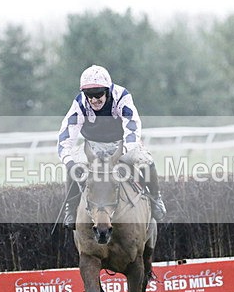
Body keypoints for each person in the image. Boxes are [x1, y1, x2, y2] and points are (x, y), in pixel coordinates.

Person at [58, 64, 167, 230]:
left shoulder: (122, 96)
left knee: (146, 160)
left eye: (98, 94)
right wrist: (70, 163)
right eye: (89, 95)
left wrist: (122, 154)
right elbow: (65, 137)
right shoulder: (79, 103)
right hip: (92, 146)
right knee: (72, 165)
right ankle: (70, 209)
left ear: (108, 91)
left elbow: (132, 129)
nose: (94, 100)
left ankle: (155, 198)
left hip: (122, 143)